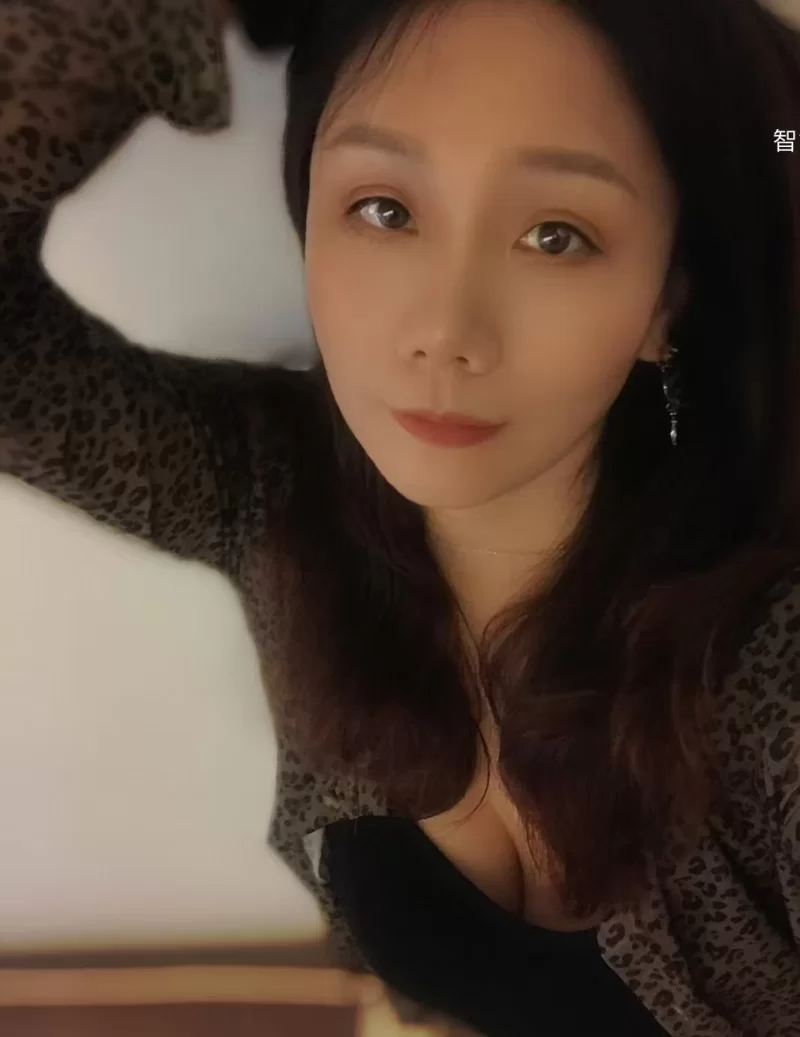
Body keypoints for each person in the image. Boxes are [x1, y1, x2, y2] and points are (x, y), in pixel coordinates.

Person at [2, 0, 800, 1033]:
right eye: (384, 210)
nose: (443, 329)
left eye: (554, 235)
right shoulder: (279, 495)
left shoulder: (769, 661)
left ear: (664, 301)